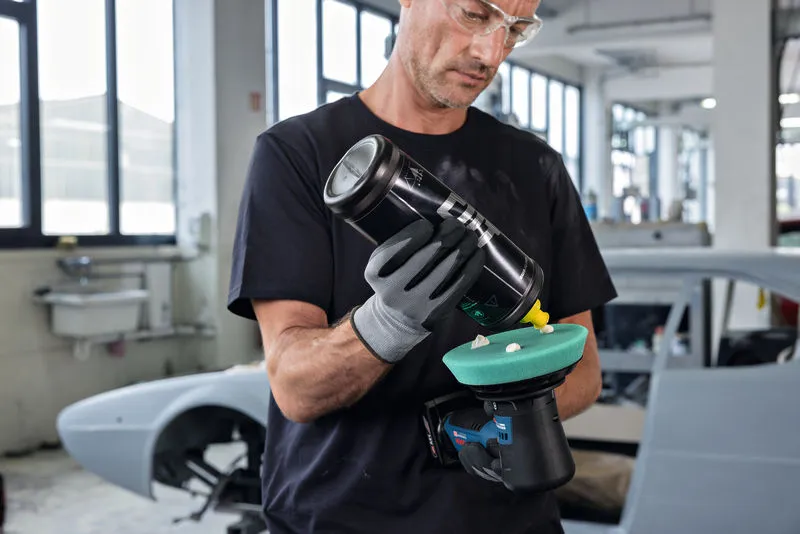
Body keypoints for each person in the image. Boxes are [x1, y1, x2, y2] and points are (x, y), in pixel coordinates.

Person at [227, 0, 617, 532]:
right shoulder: (299, 154)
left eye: (515, 30)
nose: (490, 52)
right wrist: (387, 323)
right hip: (339, 518)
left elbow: (584, 370)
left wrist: (490, 423)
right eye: (475, 14)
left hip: (505, 522)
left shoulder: (535, 167)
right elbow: (295, 388)